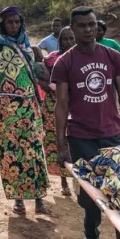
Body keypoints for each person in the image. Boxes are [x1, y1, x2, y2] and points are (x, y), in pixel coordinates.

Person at [53, 6, 120, 239]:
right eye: (82, 26)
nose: (89, 30)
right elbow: (61, 105)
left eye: (92, 24)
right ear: (73, 29)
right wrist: (61, 145)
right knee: (91, 195)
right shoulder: (65, 62)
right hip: (81, 137)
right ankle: (91, 235)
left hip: (111, 134)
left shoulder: (112, 56)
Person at [0, 6, 51, 215]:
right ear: (2, 24)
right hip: (6, 107)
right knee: (11, 154)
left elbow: (37, 75)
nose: (14, 26)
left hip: (29, 105)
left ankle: (40, 198)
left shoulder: (28, 45)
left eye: (17, 22)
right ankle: (19, 200)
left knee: (34, 151)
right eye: (9, 22)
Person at [39, 26, 76, 197]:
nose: (68, 42)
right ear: (59, 41)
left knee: (74, 141)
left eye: (71, 38)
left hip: (76, 106)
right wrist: (52, 89)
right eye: (65, 39)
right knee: (56, 139)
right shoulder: (51, 59)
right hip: (53, 105)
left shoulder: (82, 58)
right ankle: (63, 181)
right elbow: (40, 79)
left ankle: (79, 181)